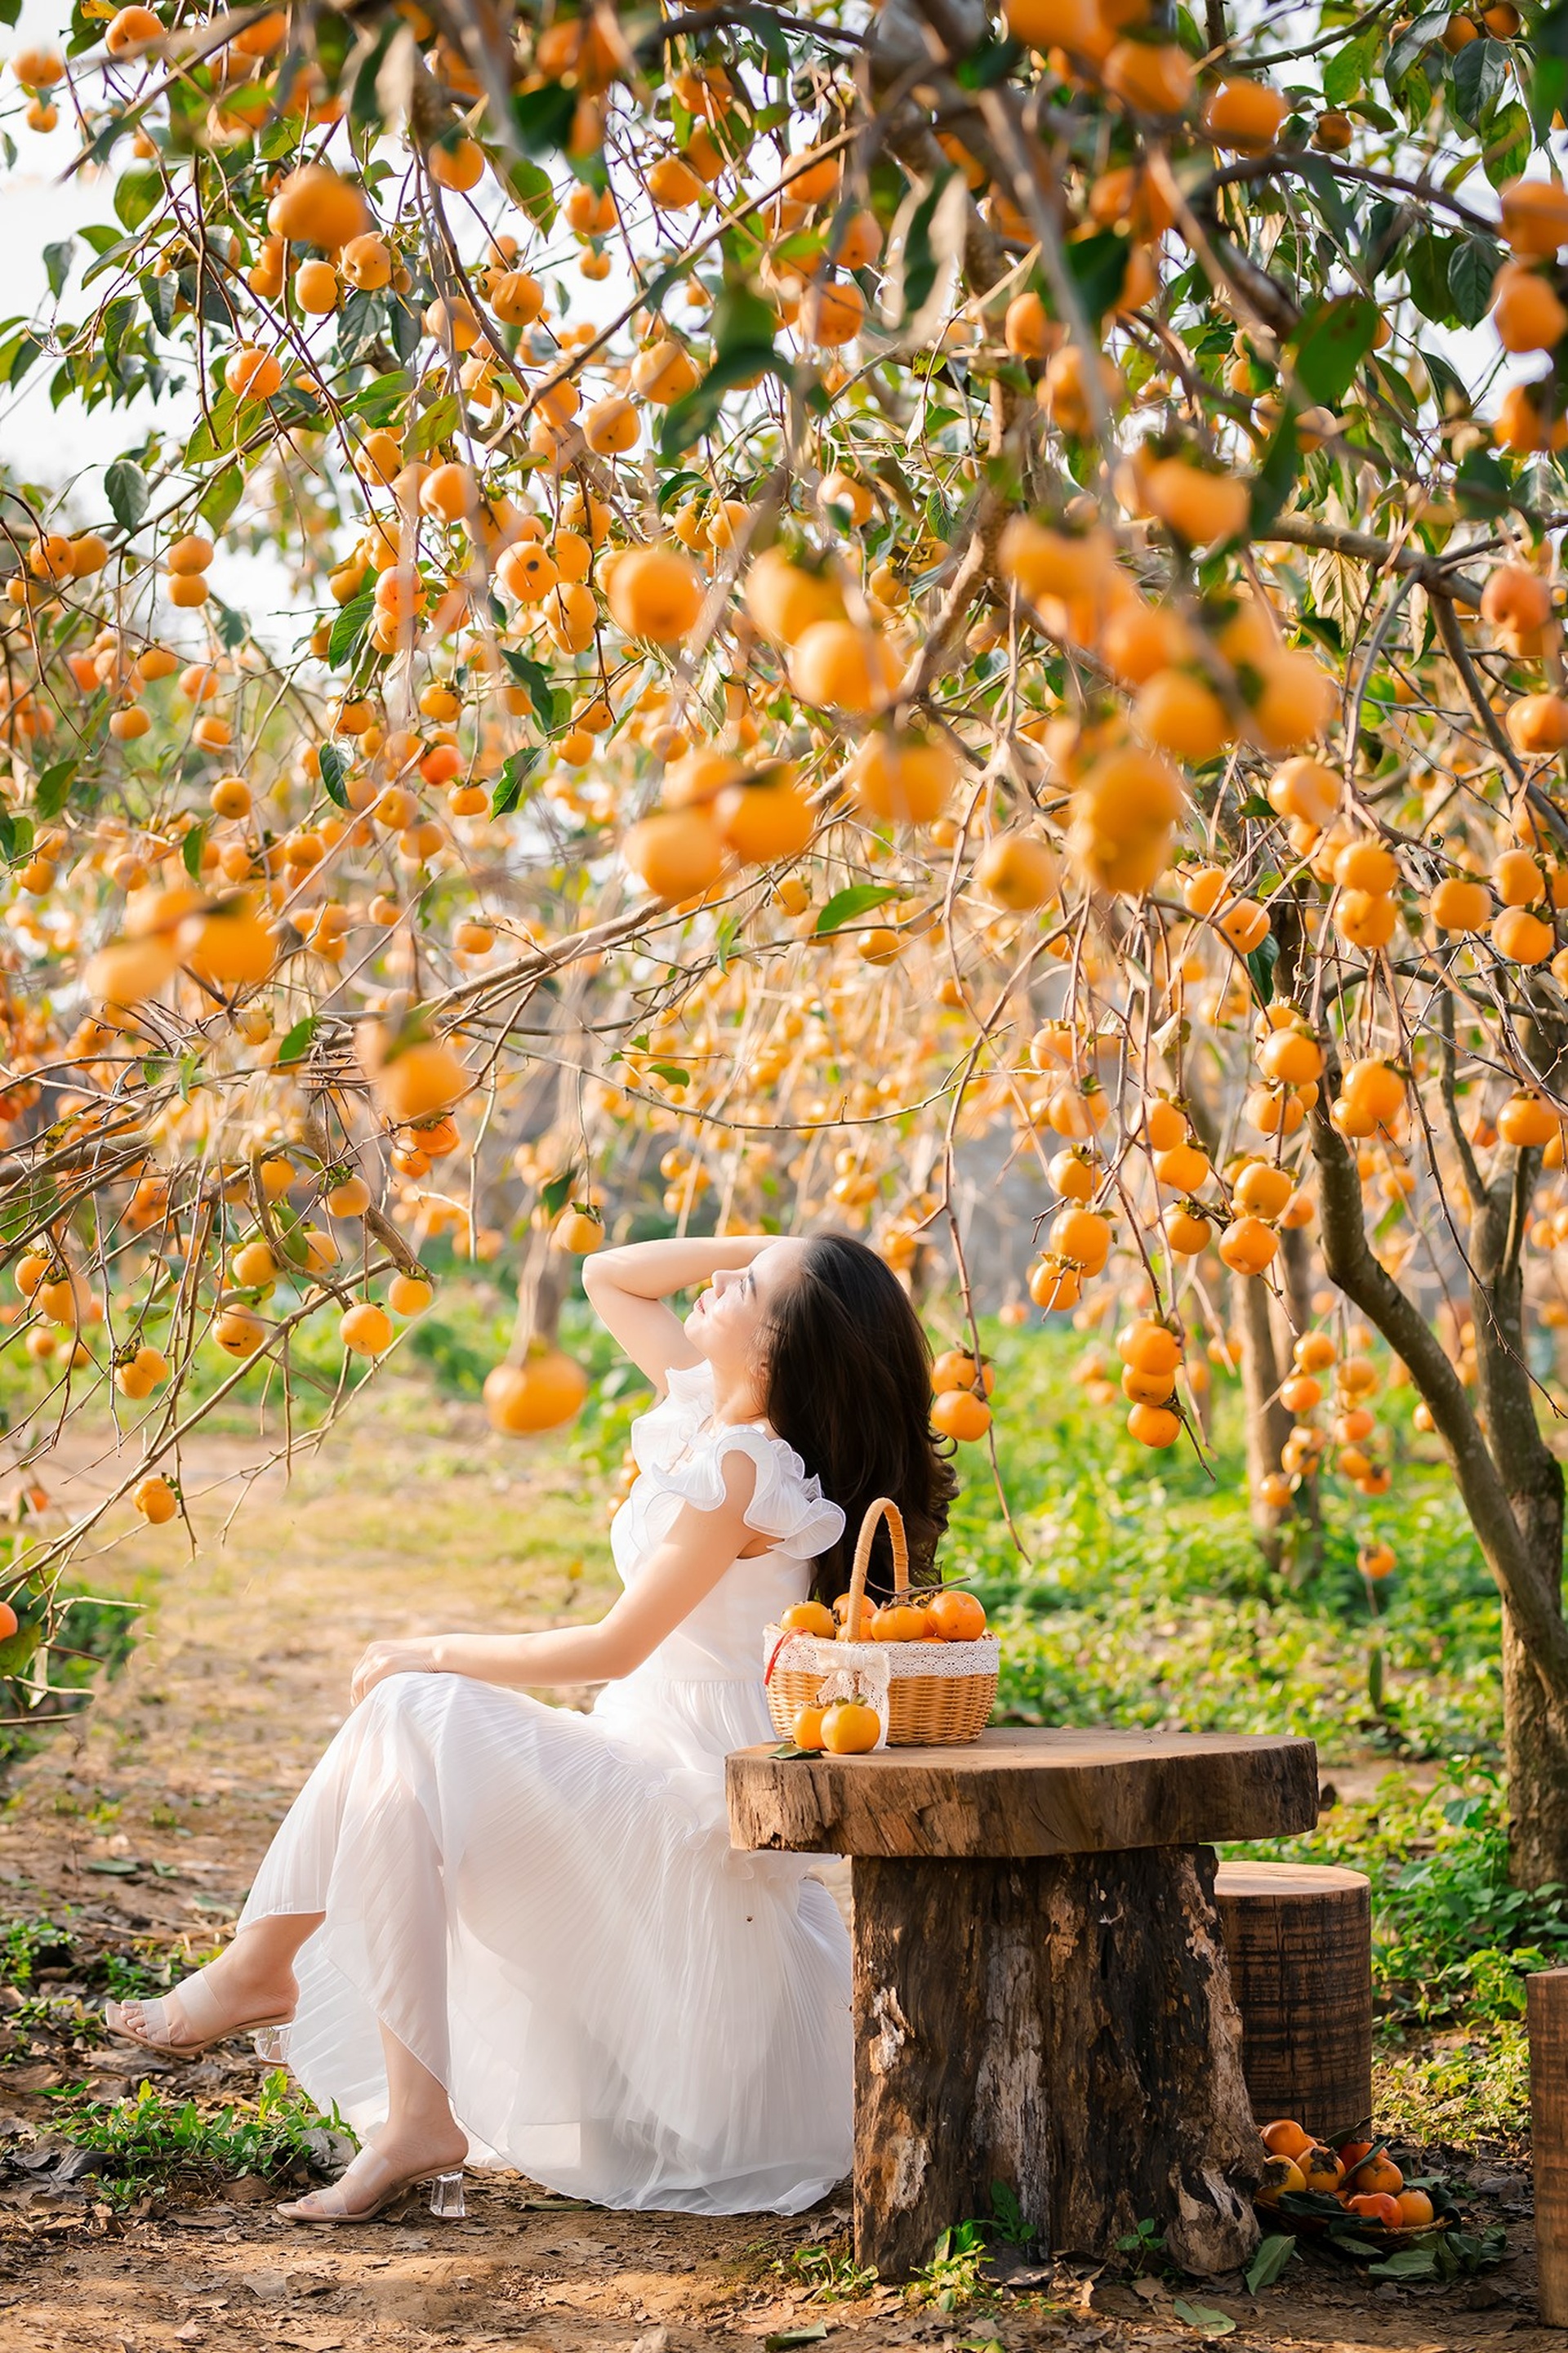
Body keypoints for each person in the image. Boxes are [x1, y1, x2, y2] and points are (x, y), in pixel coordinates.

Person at [105, 1232, 956, 2226]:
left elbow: (612, 1648)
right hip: (640, 1769)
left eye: (747, 1288)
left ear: (773, 1354)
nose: (719, 1278)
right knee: (402, 1766)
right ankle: (407, 2108)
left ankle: (265, 1974)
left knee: (415, 1706)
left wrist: (434, 1645)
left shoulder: (744, 1467)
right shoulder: (710, 1411)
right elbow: (607, 1274)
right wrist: (782, 1253)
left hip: (682, 1814)